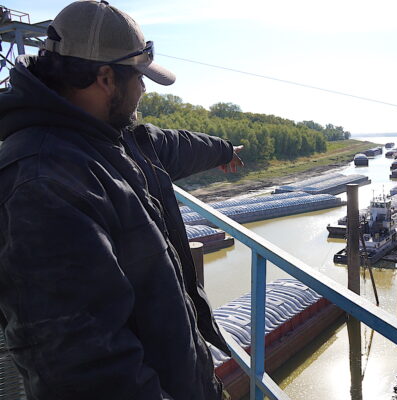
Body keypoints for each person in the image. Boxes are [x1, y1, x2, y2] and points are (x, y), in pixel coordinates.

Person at [0, 1, 243, 399]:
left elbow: (171, 145)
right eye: (140, 78)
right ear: (106, 79)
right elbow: (88, 373)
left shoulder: (107, 138)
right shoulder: (41, 185)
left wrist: (222, 150)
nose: (144, 89)